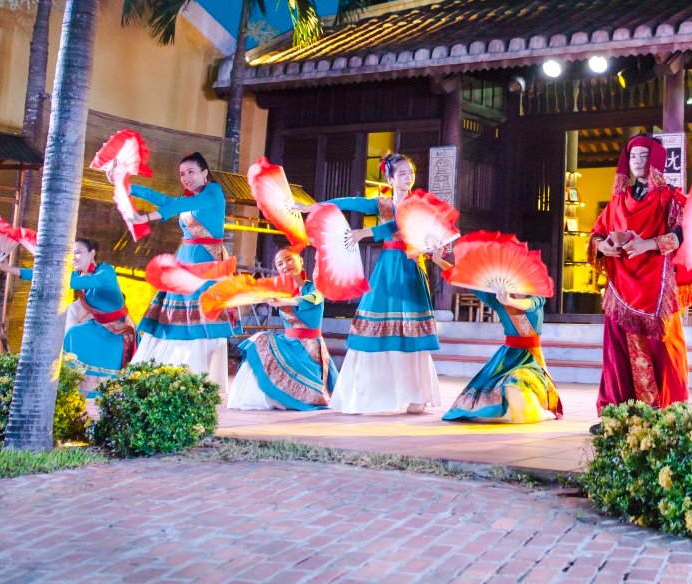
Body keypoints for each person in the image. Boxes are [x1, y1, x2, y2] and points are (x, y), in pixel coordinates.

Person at [589, 134, 692, 413]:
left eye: (644, 156)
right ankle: (616, 413)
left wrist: (647, 244)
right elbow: (597, 232)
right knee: (616, 354)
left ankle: (666, 411)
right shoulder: (618, 199)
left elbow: (683, 235)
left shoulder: (670, 197)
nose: (638, 162)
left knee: (664, 352)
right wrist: (602, 246)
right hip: (621, 286)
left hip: (656, 289)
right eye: (633, 156)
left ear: (655, 160)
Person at [317, 152, 444, 415]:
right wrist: (318, 206)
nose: (408, 178)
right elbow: (353, 202)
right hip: (387, 267)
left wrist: (366, 232)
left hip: (409, 267)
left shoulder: (417, 204)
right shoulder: (383, 204)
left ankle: (416, 394)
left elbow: (398, 225)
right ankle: (371, 393)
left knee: (412, 332)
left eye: (410, 172)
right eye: (402, 173)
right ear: (390, 178)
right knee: (372, 326)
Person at [128, 152, 234, 395]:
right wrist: (128, 188)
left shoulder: (213, 193)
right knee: (171, 320)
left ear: (205, 172)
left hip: (206, 266)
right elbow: (166, 201)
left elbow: (179, 205)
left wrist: (145, 217)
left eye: (191, 172)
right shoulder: (190, 201)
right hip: (184, 263)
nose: (185, 178)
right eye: (182, 174)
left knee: (198, 323)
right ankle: (165, 375)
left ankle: (195, 381)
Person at [1, 237, 135, 400]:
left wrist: (57, 277)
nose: (74, 257)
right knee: (73, 334)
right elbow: (50, 276)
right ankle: (69, 387)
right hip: (97, 325)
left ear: (92, 253)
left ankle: (99, 390)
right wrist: (9, 269)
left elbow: (79, 281)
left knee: (76, 334)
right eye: (71, 254)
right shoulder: (77, 275)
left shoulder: (106, 272)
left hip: (118, 329)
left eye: (78, 252)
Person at [439, 255, 563, 424]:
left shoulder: (537, 297)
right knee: (489, 396)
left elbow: (529, 306)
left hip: (531, 359)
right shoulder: (497, 299)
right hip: (507, 358)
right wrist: (438, 260)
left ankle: (541, 412)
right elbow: (464, 278)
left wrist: (510, 301)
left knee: (516, 386)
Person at [226, 249, 337, 411]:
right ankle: (255, 399)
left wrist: (284, 301)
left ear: (300, 260)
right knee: (259, 341)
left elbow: (314, 299)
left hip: (308, 351)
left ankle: (284, 397)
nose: (285, 265)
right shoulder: (280, 291)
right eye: (280, 263)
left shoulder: (315, 287)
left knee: (261, 340)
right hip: (288, 344)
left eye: (289, 260)